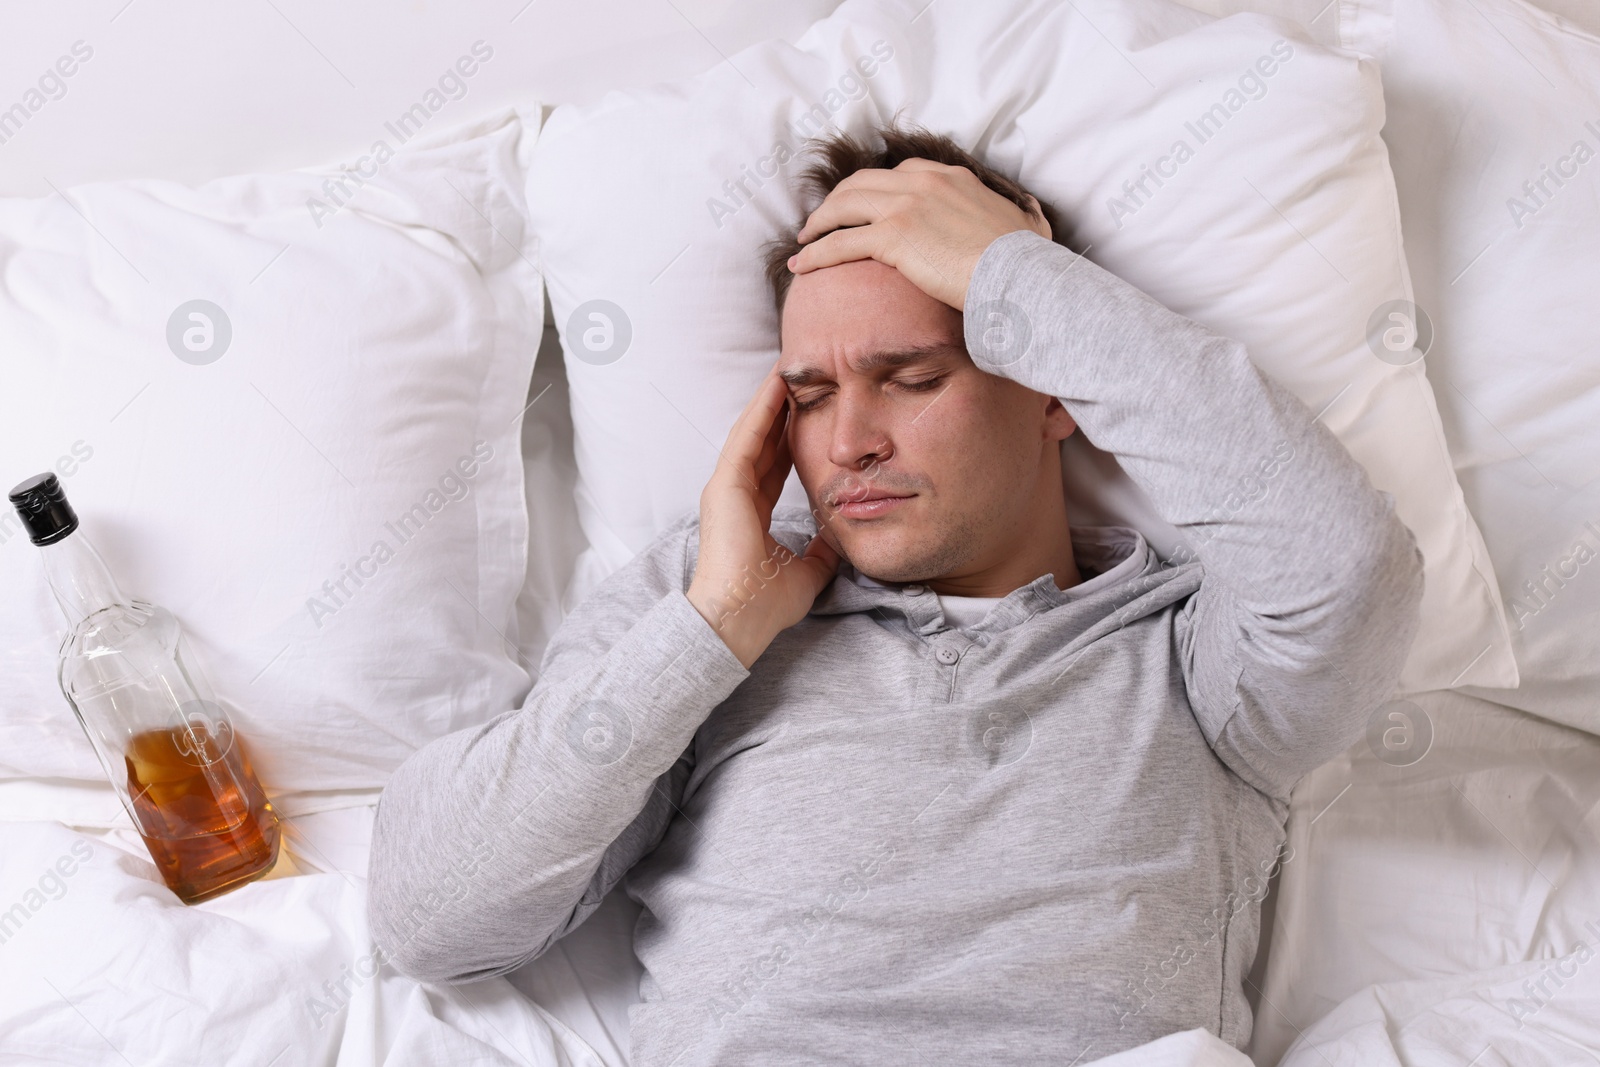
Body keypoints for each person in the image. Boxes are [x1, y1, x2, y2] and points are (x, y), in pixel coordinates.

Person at [366, 122, 1424, 1066]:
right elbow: (431, 916)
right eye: (810, 393)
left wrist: (1018, 279)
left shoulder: (1196, 652)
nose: (849, 440)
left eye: (913, 377)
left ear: (1054, 382)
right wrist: (711, 630)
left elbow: (1351, 568)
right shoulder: (702, 606)